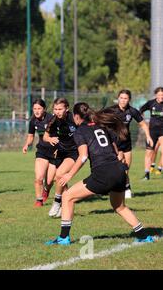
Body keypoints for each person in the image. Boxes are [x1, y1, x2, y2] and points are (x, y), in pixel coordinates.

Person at [46, 103, 155, 245]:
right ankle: (144, 236)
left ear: (76, 116)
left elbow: (83, 156)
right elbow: (117, 151)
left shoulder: (80, 131)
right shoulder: (102, 126)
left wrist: (69, 175)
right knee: (119, 206)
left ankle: (63, 238)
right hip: (120, 170)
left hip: (103, 173)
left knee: (67, 196)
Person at [108, 90, 153, 198]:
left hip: (126, 144)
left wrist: (148, 136)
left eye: (126, 98)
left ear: (129, 100)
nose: (123, 100)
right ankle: (116, 188)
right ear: (118, 98)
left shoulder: (132, 111)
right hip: (114, 144)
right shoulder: (111, 110)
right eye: (121, 98)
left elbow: (143, 125)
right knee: (119, 167)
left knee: (126, 168)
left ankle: (127, 187)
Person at [43, 98, 79, 218]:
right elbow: (45, 136)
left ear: (67, 109)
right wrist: (50, 139)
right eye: (55, 109)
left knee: (59, 174)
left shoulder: (74, 118)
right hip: (60, 152)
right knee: (59, 180)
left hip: (74, 152)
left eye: (60, 109)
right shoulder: (54, 120)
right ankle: (66, 205)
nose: (57, 112)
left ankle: (57, 202)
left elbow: (84, 130)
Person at [21, 99, 57, 207]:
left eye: (39, 109)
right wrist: (27, 144)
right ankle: (39, 200)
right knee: (39, 178)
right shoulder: (33, 121)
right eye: (35, 109)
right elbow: (31, 136)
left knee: (50, 181)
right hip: (42, 151)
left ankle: (46, 190)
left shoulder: (52, 119)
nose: (36, 111)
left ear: (44, 109)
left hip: (54, 152)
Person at [139, 87, 163, 181]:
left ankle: (160, 168)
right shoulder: (151, 103)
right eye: (160, 94)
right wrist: (143, 122)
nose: (162, 96)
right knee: (149, 152)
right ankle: (147, 174)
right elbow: (140, 110)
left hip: (162, 131)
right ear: (156, 95)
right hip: (152, 131)